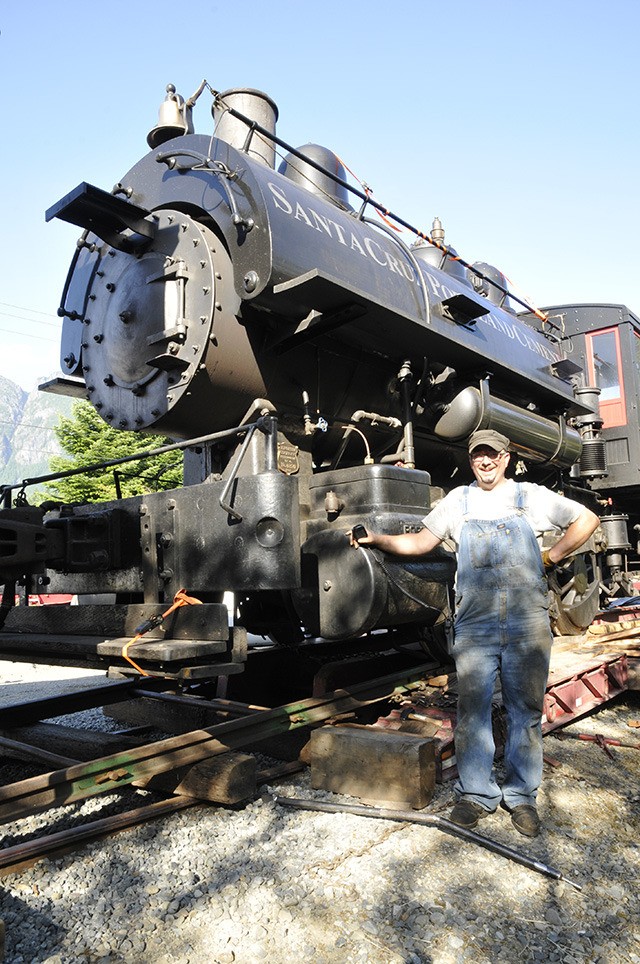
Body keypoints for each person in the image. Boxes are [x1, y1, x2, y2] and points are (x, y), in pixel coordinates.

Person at [350, 428, 600, 837]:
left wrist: (551, 557)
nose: (486, 462)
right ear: (471, 460)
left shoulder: (530, 496)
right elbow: (419, 544)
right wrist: (376, 538)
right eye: (478, 456)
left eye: (493, 455)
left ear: (507, 459)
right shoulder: (457, 502)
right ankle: (476, 795)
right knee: (472, 711)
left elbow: (586, 519)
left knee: (525, 711)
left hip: (526, 621)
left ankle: (521, 797)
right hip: (476, 622)